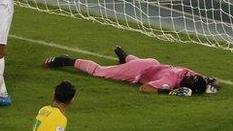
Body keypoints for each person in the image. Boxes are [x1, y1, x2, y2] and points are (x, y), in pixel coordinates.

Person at [43, 46, 220, 96]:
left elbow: (209, 79)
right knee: (99, 71)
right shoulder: (170, 80)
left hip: (150, 64)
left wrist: (213, 84)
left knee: (134, 63)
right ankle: (65, 60)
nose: (193, 77)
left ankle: (124, 55)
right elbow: (145, 88)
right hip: (140, 71)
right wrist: (171, 92)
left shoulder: (186, 72)